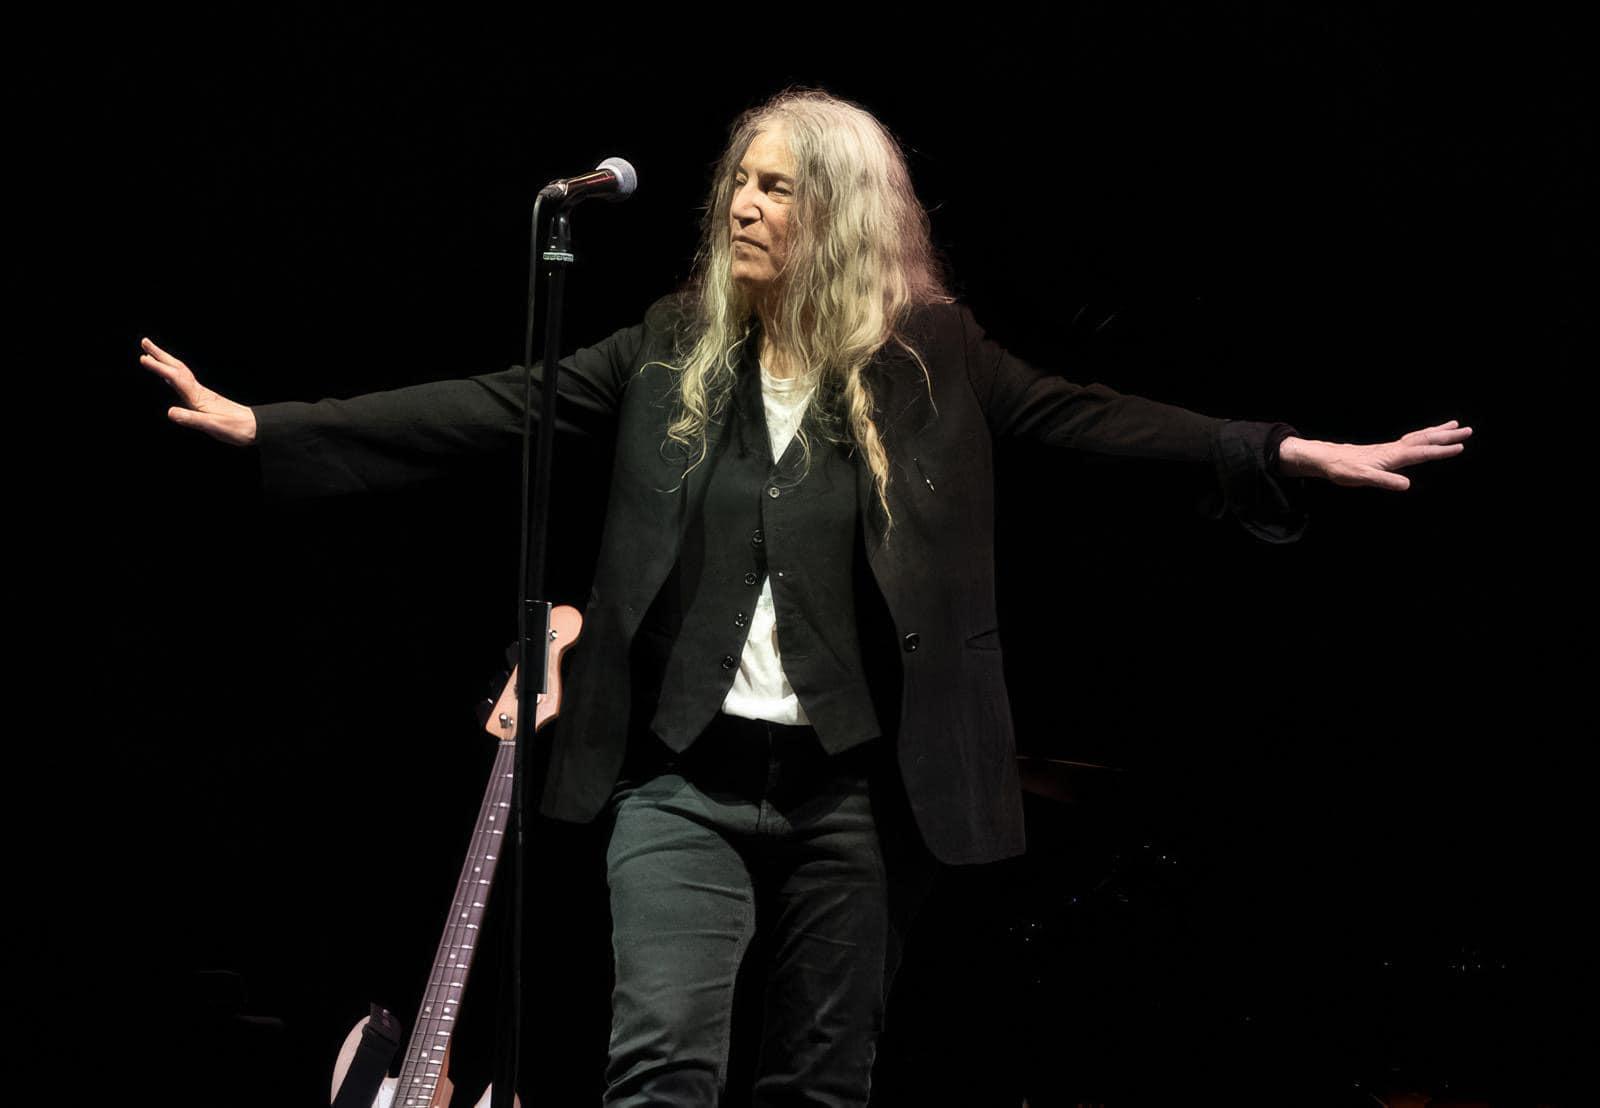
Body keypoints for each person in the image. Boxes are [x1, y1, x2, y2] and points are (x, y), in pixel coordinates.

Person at [140, 88, 1470, 1107]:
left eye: (777, 189)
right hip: (680, 778)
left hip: (856, 789)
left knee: (822, 1085)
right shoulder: (670, 350)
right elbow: (499, 405)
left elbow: (1093, 420)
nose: (744, 207)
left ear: (835, 214)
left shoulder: (932, 360)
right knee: (661, 1063)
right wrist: (274, 426)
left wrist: (1285, 452)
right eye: (739, 184)